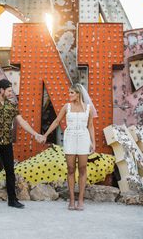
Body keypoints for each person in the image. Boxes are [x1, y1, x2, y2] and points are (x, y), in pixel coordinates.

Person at [0, 78, 45, 210]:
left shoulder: (12, 106)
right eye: (9, 91)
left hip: (7, 143)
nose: (11, 93)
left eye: (11, 91)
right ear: (1, 90)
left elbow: (22, 122)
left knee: (10, 172)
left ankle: (12, 200)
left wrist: (35, 134)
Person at [42, 83, 97, 211]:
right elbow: (56, 121)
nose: (69, 95)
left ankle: (81, 200)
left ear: (78, 94)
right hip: (70, 137)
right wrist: (45, 134)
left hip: (83, 137)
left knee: (83, 168)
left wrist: (93, 142)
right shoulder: (66, 107)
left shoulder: (88, 108)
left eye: (72, 92)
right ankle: (72, 200)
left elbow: (90, 126)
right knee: (71, 168)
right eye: (69, 92)